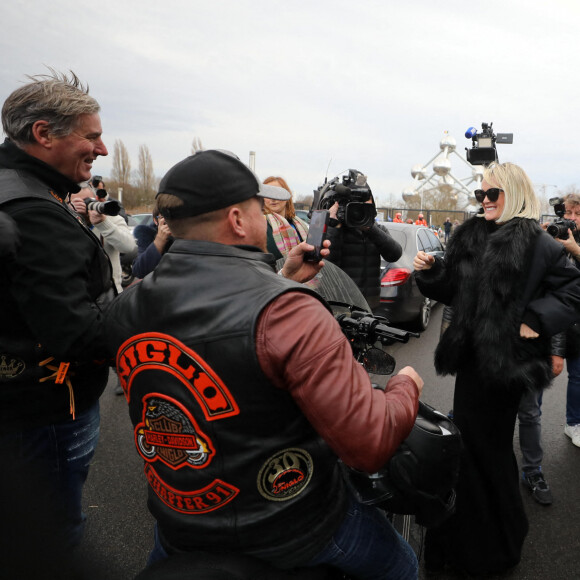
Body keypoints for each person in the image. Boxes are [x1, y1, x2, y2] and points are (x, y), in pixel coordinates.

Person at [104, 149, 423, 580]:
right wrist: (406, 386)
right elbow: (369, 444)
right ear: (237, 219)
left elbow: (217, 340)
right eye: (259, 208)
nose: (265, 219)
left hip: (180, 526)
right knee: (402, 567)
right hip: (294, 527)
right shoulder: (290, 312)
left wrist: (280, 279)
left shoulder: (128, 304)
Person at [413, 162, 580, 576]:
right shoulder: (470, 234)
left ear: (514, 192)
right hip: (470, 363)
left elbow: (573, 288)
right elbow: (451, 287)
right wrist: (431, 274)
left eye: (493, 194)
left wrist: (536, 320)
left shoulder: (536, 242)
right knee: (469, 450)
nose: (484, 201)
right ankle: (468, 536)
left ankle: (495, 543)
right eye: (480, 194)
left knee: (487, 452)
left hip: (505, 368)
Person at [0, 70, 113, 575]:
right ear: (44, 134)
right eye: (90, 136)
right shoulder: (32, 208)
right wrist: (156, 300)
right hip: (42, 411)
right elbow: (78, 335)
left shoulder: (17, 189)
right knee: (52, 538)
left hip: (20, 408)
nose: (103, 148)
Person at [325, 184, 402, 310]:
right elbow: (328, 267)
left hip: (371, 304)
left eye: (367, 204)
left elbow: (395, 254)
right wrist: (334, 226)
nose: (361, 208)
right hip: (342, 303)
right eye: (358, 204)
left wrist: (370, 228)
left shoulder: (376, 229)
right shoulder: (336, 229)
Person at [546, 192, 580, 447]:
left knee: (578, 376)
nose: (571, 219)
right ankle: (527, 427)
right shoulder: (554, 237)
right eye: (568, 213)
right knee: (538, 376)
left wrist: (575, 249)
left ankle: (573, 423)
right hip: (552, 319)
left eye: (577, 214)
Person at [70, 185, 136, 293]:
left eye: (87, 201)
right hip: (77, 294)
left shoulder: (112, 219)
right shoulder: (64, 219)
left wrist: (103, 223)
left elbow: (128, 247)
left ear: (95, 199)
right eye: (77, 202)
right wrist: (70, 215)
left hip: (109, 294)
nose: (84, 205)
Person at [262, 176, 309, 259]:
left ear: (287, 196)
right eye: (268, 194)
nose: (273, 198)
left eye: (278, 193)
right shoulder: (260, 225)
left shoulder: (300, 224)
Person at [132, 203, 174, 279]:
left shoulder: (187, 234)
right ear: (155, 221)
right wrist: (159, 241)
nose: (170, 223)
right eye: (164, 218)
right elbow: (139, 271)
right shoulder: (148, 235)